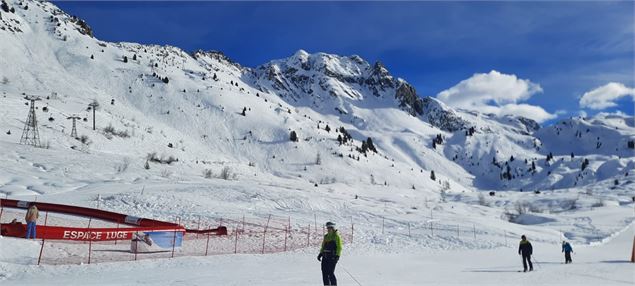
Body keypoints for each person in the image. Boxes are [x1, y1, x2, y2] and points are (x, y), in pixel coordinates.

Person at [317, 221, 342, 286]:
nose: (328, 229)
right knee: (324, 273)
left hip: (332, 257)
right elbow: (323, 246)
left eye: (330, 228)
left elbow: (339, 247)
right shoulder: (326, 236)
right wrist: (320, 253)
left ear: (333, 228)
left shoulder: (336, 236)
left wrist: (337, 256)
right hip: (325, 257)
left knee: (330, 273)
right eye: (327, 228)